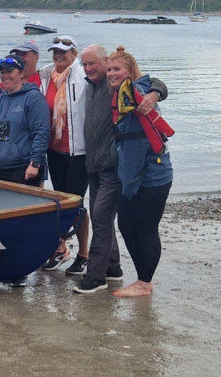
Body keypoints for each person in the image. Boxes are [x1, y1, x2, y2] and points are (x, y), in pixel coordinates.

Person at [73, 44, 167, 294]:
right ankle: (112, 268)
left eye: (94, 63)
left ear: (105, 63)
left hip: (118, 170)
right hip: (94, 165)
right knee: (107, 220)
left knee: (104, 219)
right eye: (84, 64)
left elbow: (153, 82)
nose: (88, 68)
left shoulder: (127, 89)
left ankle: (96, 277)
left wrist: (155, 94)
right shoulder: (92, 86)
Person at [106, 45, 174, 298]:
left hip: (151, 175)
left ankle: (144, 283)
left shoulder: (139, 94)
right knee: (125, 224)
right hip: (132, 173)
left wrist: (129, 184)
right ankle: (141, 279)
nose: (111, 73)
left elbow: (137, 147)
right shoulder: (122, 92)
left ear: (130, 71)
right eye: (109, 69)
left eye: (117, 69)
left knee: (145, 228)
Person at [38, 35, 92, 275]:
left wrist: (154, 91)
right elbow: (20, 76)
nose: (59, 56)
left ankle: (84, 254)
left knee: (76, 204)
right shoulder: (46, 75)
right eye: (56, 52)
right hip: (55, 150)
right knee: (60, 203)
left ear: (74, 54)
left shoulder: (84, 76)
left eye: (64, 52)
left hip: (79, 152)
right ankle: (61, 250)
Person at [0, 54, 49, 186]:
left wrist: (35, 163)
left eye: (10, 71)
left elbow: (41, 133)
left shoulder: (34, 98)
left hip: (23, 168)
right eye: (2, 72)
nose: (5, 76)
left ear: (21, 73)